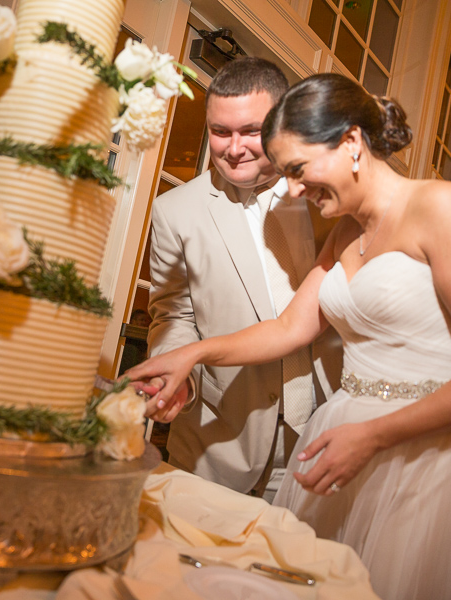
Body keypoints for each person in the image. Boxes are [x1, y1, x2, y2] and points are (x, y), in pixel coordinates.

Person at [128, 73, 451, 599]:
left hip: (439, 451)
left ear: (350, 142)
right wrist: (192, 354)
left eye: (298, 170)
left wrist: (373, 435)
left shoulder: (444, 208)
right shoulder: (349, 228)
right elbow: (289, 327)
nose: (293, 190)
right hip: (350, 441)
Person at [143, 56, 337, 500]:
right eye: (220, 132)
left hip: (326, 435)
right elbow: (172, 314)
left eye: (251, 131)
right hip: (221, 439)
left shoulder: (330, 197)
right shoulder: (175, 212)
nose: (234, 148)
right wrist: (183, 378)